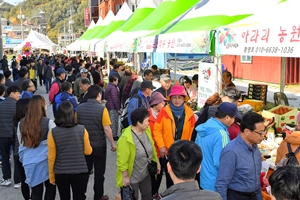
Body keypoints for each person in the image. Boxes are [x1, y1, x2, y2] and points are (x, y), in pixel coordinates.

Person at [77, 85, 116, 200]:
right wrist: (113, 143)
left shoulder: (79, 108)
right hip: (99, 145)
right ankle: (98, 196)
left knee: (84, 172)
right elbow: (107, 128)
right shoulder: (102, 109)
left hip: (84, 146)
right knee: (99, 174)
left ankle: (81, 195)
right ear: (99, 95)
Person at [153, 84, 196, 188]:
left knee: (182, 177)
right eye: (174, 97)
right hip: (168, 151)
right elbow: (156, 130)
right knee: (169, 177)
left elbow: (192, 133)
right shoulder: (164, 111)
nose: (177, 100)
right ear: (170, 98)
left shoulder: (189, 113)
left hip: (183, 151)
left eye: (179, 97)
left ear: (184, 99)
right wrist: (161, 146)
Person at [48, 101, 92, 200]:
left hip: (61, 171)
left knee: (64, 197)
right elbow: (88, 151)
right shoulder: (82, 129)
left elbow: (51, 157)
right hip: (80, 170)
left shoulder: (53, 133)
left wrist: (51, 175)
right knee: (79, 197)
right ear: (73, 114)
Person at [215, 112, 264, 200]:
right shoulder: (231, 151)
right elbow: (221, 184)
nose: (263, 136)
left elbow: (256, 179)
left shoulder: (255, 149)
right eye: (260, 133)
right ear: (247, 132)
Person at [195, 102, 241, 191]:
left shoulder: (203, 128)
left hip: (203, 180)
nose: (234, 121)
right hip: (216, 183)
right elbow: (222, 162)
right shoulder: (221, 134)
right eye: (234, 118)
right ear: (227, 117)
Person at [17, 95, 56, 200]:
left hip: (30, 163)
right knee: (50, 188)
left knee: (36, 192)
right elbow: (53, 144)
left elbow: (21, 144)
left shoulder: (21, 123)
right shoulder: (49, 123)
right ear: (42, 106)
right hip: (47, 161)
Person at [116, 107, 160, 200]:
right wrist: (125, 177)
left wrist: (158, 163)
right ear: (139, 122)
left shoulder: (146, 131)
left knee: (148, 195)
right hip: (133, 176)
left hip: (146, 173)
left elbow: (152, 148)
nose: (149, 123)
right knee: (133, 197)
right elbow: (122, 161)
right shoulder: (125, 139)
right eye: (147, 121)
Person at [0, 85, 21, 186]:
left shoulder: (1, 105)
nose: (19, 95)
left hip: (3, 134)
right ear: (12, 93)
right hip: (15, 134)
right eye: (18, 93)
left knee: (5, 157)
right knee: (16, 156)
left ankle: (6, 178)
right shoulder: (17, 105)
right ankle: (18, 180)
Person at [148, 92, 166, 198]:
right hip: (151, 151)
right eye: (161, 102)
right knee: (151, 174)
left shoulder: (164, 115)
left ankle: (155, 193)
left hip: (162, 151)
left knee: (159, 175)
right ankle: (150, 194)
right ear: (155, 103)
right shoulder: (146, 115)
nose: (164, 103)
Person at [12, 98, 30, 196]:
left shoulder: (15, 120)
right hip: (28, 151)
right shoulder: (28, 122)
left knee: (24, 180)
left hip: (17, 152)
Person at [104, 75, 121, 141]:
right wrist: (118, 108)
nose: (117, 82)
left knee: (111, 121)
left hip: (109, 105)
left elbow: (105, 96)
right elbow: (115, 99)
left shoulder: (109, 86)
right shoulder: (114, 88)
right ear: (113, 81)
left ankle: (111, 134)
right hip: (113, 107)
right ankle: (114, 135)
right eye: (116, 80)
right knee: (114, 122)